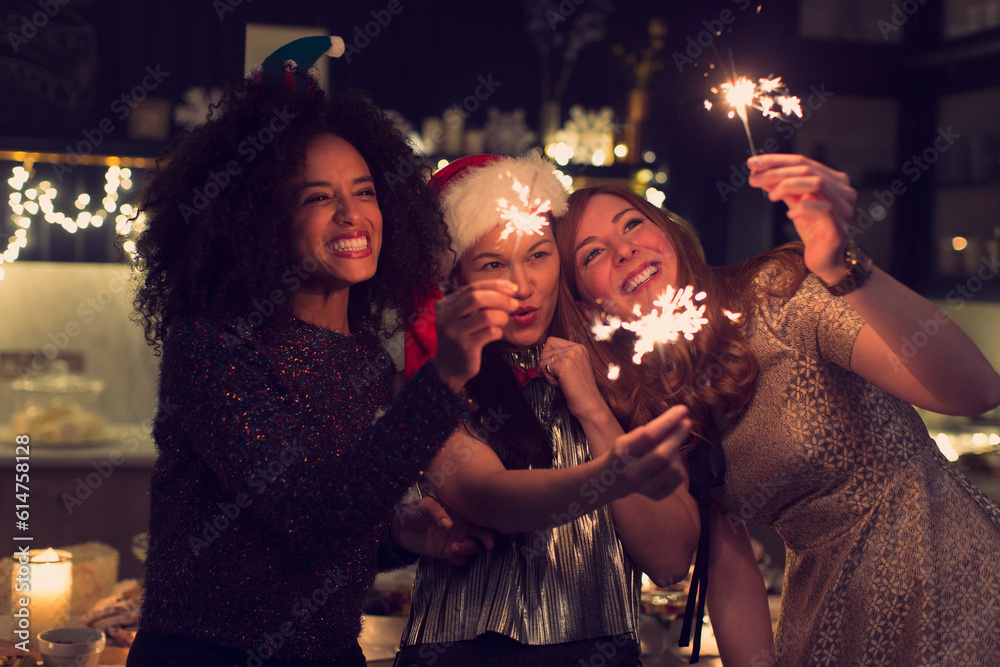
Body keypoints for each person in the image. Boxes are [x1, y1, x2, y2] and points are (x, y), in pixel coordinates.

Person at [126, 38, 513, 667]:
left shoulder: (364, 360)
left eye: (363, 191)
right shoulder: (213, 348)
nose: (351, 215)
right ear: (257, 221)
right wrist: (442, 377)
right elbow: (314, 513)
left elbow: (336, 523)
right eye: (316, 198)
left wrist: (398, 534)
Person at [556, 153, 1000, 665]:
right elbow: (716, 569)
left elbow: (977, 391)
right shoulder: (654, 398)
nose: (625, 249)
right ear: (591, 307)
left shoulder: (780, 295)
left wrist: (847, 268)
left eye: (633, 223)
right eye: (593, 254)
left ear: (670, 234)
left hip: (957, 590)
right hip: (830, 627)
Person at [394, 154, 771, 666]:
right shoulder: (439, 379)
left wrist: (593, 408)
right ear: (456, 279)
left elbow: (668, 561)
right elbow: (491, 499)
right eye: (492, 265)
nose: (522, 286)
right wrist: (611, 475)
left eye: (538, 255)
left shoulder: (619, 376)